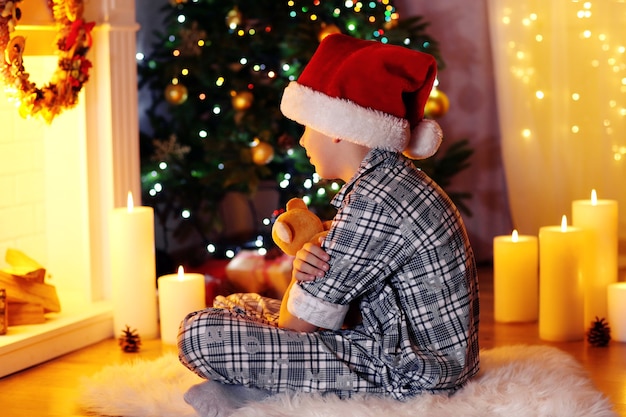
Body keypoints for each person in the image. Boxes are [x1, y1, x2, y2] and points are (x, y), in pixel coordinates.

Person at [178, 33, 480, 415]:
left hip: (410, 371)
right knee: (236, 304)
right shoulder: (393, 181)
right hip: (404, 346)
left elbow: (297, 325)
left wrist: (298, 277)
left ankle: (244, 393)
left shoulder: (375, 202)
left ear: (338, 126)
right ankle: (246, 384)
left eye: (307, 127)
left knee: (200, 335)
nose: (303, 142)